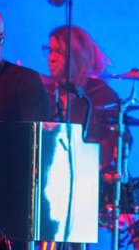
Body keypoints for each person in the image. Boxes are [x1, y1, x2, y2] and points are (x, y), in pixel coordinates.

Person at [42, 25, 128, 171]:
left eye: (59, 52)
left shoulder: (101, 94)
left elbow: (120, 139)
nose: (51, 58)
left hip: (88, 176)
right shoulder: (45, 92)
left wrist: (95, 161)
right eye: (50, 51)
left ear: (76, 55)